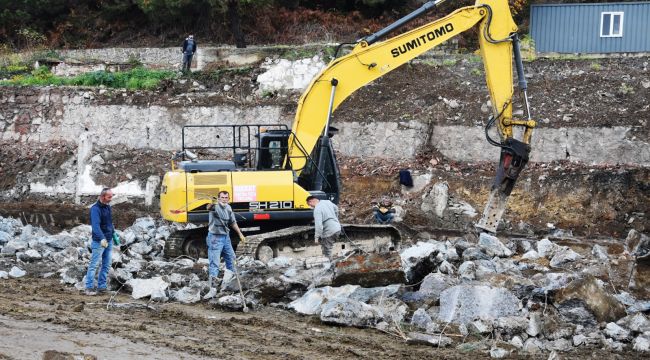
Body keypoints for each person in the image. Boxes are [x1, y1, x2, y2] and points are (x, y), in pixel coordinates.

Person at [205, 191, 246, 297]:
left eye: (226, 197)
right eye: (222, 197)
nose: (224, 199)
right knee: (214, 263)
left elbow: (233, 222)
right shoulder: (215, 207)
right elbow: (208, 207)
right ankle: (212, 289)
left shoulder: (228, 208)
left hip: (226, 237)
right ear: (218, 199)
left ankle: (227, 285)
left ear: (229, 199)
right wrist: (212, 203)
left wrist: (240, 234)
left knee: (232, 259)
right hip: (215, 237)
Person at [84, 187, 115, 296]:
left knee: (106, 265)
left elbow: (109, 222)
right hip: (99, 242)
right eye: (109, 197)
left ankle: (102, 286)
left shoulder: (107, 207)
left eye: (111, 196)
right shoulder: (95, 209)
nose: (111, 199)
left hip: (109, 240)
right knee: (94, 264)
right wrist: (102, 238)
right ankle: (89, 287)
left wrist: (114, 233)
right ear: (102, 197)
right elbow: (96, 226)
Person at [306, 196, 341, 260]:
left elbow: (319, 225)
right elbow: (336, 209)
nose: (310, 207)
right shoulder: (327, 202)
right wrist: (335, 218)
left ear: (311, 201)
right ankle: (331, 264)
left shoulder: (317, 209)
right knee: (329, 248)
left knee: (327, 251)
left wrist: (316, 238)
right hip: (337, 228)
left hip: (329, 231)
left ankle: (329, 267)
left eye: (309, 204)